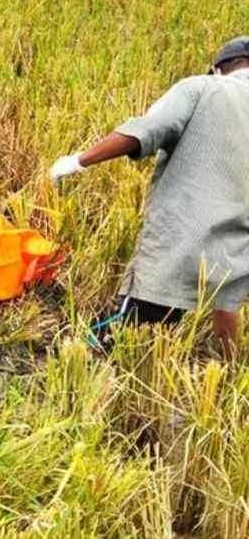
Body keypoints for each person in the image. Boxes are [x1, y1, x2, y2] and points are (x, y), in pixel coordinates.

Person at [50, 36, 249, 360]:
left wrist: (79, 161)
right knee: (226, 300)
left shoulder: (203, 88)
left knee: (123, 327)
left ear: (218, 69)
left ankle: (75, 370)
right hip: (239, 246)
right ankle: (231, 371)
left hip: (183, 241)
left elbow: (145, 131)